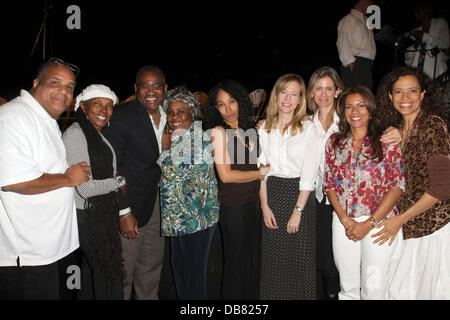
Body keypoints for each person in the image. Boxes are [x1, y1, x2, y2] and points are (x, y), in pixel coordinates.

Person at [0, 58, 91, 299]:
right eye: (56, 82)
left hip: (56, 249)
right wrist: (67, 178)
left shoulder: (45, 119)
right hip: (29, 257)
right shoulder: (13, 118)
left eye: (70, 87)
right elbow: (13, 181)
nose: (64, 90)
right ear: (36, 83)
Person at [374, 66, 449, 300]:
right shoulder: (399, 130)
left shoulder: (432, 126)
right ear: (390, 96)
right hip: (412, 226)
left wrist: (400, 220)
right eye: (398, 92)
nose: (405, 98)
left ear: (423, 94)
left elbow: (442, 187)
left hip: (434, 228)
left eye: (412, 91)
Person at [324, 85, 405, 300]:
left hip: (378, 224)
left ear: (370, 108)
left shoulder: (386, 140)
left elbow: (397, 185)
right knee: (348, 288)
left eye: (361, 105)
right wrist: (344, 219)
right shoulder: (335, 142)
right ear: (343, 111)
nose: (355, 112)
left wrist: (368, 224)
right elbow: (329, 183)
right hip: (344, 222)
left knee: (374, 287)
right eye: (349, 107)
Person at [102, 65, 167, 300]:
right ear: (136, 89)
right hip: (130, 205)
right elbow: (111, 167)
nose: (150, 91)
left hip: (158, 205)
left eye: (156, 86)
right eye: (144, 86)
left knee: (151, 268)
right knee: (124, 271)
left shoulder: (171, 116)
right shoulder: (121, 115)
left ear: (165, 89)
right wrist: (123, 211)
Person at [258, 73, 321, 300]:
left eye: (294, 94)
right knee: (273, 261)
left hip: (299, 197)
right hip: (272, 195)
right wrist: (264, 207)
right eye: (284, 92)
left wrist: (298, 211)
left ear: (300, 99)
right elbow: (262, 173)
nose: (288, 98)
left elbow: (309, 174)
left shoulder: (308, 127)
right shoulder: (264, 127)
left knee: (298, 261)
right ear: (276, 94)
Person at [204, 79, 268, 300]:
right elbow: (226, 175)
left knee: (251, 264)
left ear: (240, 102)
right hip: (234, 209)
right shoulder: (218, 132)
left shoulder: (247, 129)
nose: (228, 109)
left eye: (231, 102)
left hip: (253, 206)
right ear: (215, 109)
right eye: (221, 104)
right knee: (236, 265)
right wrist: (260, 173)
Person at [62, 84, 126, 300]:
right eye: (97, 103)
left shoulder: (99, 137)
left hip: (101, 215)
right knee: (107, 274)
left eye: (109, 106)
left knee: (94, 275)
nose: (104, 110)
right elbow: (85, 188)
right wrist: (118, 181)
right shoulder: (76, 134)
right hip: (88, 216)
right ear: (83, 106)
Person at [157, 87, 220, 300]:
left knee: (194, 273)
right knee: (179, 268)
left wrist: (164, 150)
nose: (175, 117)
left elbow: (171, 173)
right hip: (178, 219)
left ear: (192, 113)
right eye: (171, 112)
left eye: (181, 111)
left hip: (196, 220)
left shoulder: (196, 138)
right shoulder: (178, 138)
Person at [404, 1, 449, 80]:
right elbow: (407, 59)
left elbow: (445, 44)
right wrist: (416, 44)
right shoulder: (417, 30)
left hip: (437, 74)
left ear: (428, 9)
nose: (416, 13)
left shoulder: (440, 23)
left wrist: (423, 36)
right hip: (419, 76)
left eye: (419, 9)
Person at [337, 0, 376, 90]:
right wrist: (351, 64)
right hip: (356, 64)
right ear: (361, 2)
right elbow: (343, 43)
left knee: (366, 96)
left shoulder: (366, 21)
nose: (372, 4)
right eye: (369, 2)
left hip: (366, 65)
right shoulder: (348, 20)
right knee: (356, 95)